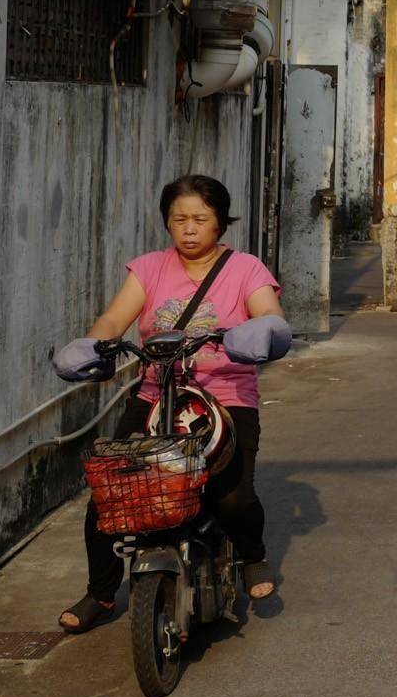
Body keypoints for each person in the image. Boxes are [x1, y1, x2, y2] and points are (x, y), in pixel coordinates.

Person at [49, 174, 290, 634]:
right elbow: (114, 319)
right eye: (179, 219)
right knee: (110, 495)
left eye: (200, 218)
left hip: (226, 397)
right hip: (156, 395)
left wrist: (266, 330)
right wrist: (92, 347)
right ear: (167, 222)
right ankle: (101, 592)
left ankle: (251, 556)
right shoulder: (148, 269)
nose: (189, 228)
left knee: (234, 497)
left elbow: (269, 314)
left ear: (219, 222)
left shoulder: (246, 269)